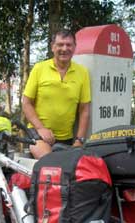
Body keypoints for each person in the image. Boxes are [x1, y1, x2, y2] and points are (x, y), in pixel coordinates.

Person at [22, 29, 91, 159]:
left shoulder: (82, 73)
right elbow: (26, 103)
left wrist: (79, 140)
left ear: (74, 47)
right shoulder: (39, 68)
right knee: (50, 163)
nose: (64, 48)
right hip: (38, 134)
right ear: (53, 47)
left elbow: (84, 110)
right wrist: (41, 129)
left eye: (69, 45)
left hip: (66, 138)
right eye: (60, 44)